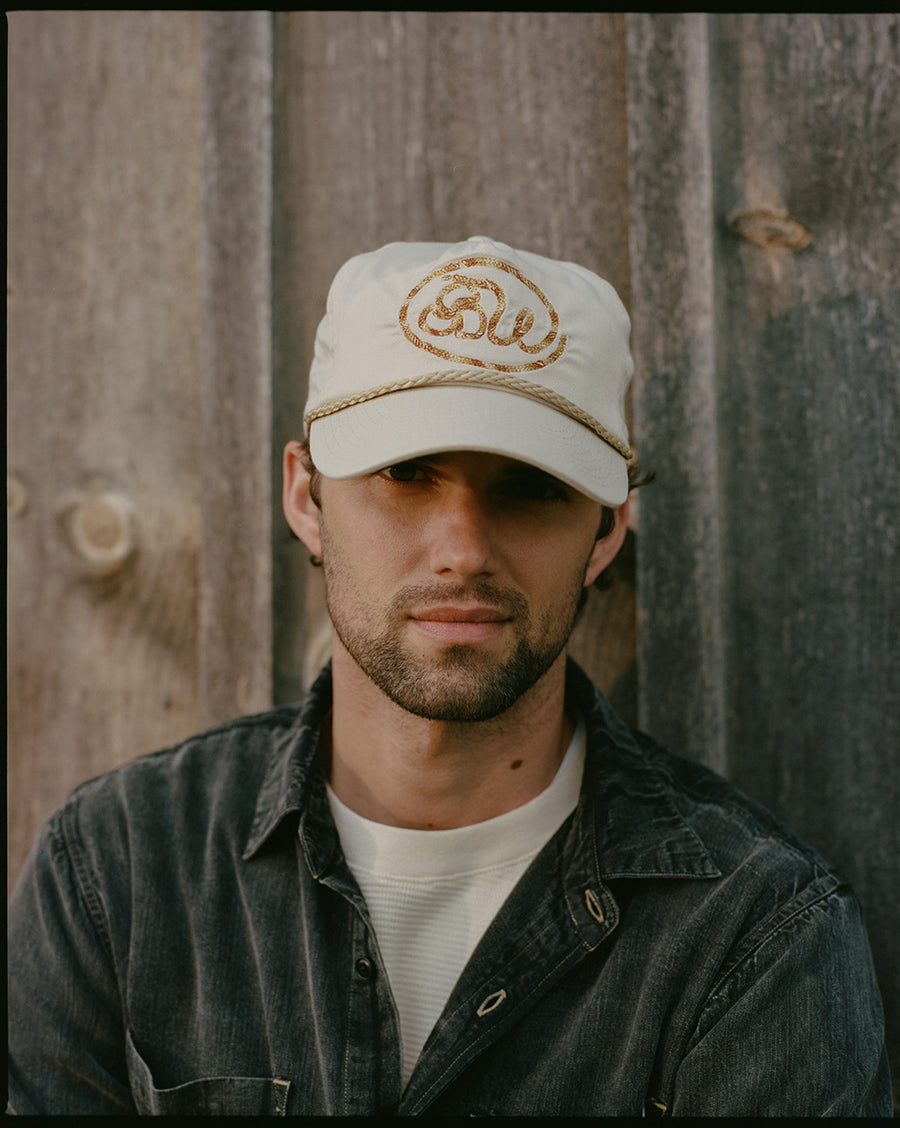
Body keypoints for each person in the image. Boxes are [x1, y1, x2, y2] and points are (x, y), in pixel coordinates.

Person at [7, 236, 892, 1117]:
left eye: (531, 485)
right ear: (307, 500)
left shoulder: (757, 939)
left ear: (609, 528)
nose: (463, 550)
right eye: (406, 472)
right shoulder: (118, 875)